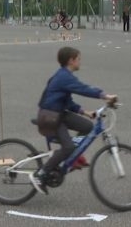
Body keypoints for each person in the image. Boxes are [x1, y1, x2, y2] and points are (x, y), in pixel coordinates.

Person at [31, 47, 117, 195]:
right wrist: (104, 95)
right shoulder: (64, 77)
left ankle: (73, 156)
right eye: (78, 59)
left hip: (59, 113)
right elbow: (83, 88)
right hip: (50, 116)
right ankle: (41, 174)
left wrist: (85, 112)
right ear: (71, 60)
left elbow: (68, 102)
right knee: (68, 146)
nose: (80, 62)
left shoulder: (64, 76)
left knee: (87, 126)